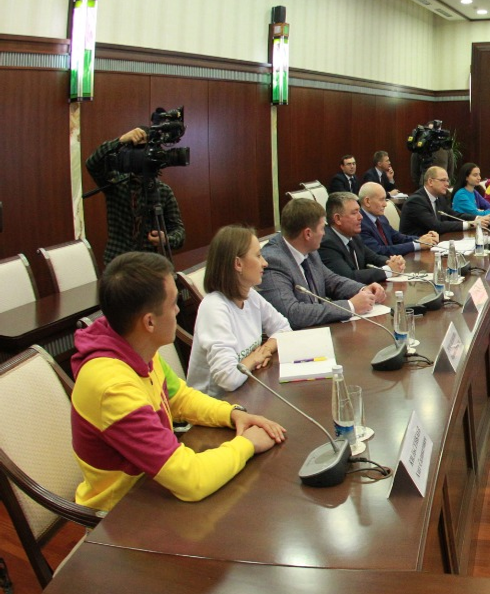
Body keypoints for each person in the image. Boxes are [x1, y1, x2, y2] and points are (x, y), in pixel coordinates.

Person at [70, 252, 285, 512]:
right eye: (173, 303)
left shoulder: (133, 344)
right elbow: (191, 480)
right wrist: (247, 444)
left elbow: (179, 398)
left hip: (154, 487)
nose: (178, 310)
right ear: (149, 322)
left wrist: (233, 414)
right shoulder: (113, 388)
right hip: (122, 513)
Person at [186, 226, 292, 398]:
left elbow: (284, 329)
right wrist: (254, 359)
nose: (265, 263)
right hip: (215, 405)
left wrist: (264, 350)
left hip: (246, 392)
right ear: (238, 264)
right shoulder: (213, 308)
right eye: (258, 256)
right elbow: (228, 379)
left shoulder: (250, 295)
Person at [258, 198, 383, 328]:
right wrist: (350, 306)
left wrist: (363, 290)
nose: (324, 234)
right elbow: (292, 314)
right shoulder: (273, 261)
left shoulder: (309, 249)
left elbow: (331, 281)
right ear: (308, 234)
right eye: (322, 228)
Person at [86, 128, 187, 265]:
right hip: (118, 262)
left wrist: (166, 239)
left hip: (148, 263)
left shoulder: (163, 191)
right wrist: (120, 141)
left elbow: (179, 232)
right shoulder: (115, 183)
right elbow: (92, 164)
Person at [319, 192, 404, 284]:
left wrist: (392, 262)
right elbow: (349, 277)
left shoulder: (354, 236)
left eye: (359, 211)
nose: (361, 217)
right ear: (337, 219)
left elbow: (374, 258)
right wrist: (389, 270)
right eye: (354, 213)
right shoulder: (326, 243)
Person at [402, 166, 490, 236]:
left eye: (447, 180)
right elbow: (436, 226)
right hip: (415, 247)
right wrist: (470, 224)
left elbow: (453, 215)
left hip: (436, 241)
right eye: (443, 180)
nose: (447, 184)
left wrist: (477, 218)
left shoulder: (440, 198)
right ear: (430, 182)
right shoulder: (416, 201)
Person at [358, 182, 436, 257]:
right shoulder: (359, 224)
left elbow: (398, 238)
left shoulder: (381, 218)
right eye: (381, 200)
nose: (385, 204)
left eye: (385, 199)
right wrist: (417, 245)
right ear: (367, 201)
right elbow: (380, 251)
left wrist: (424, 239)